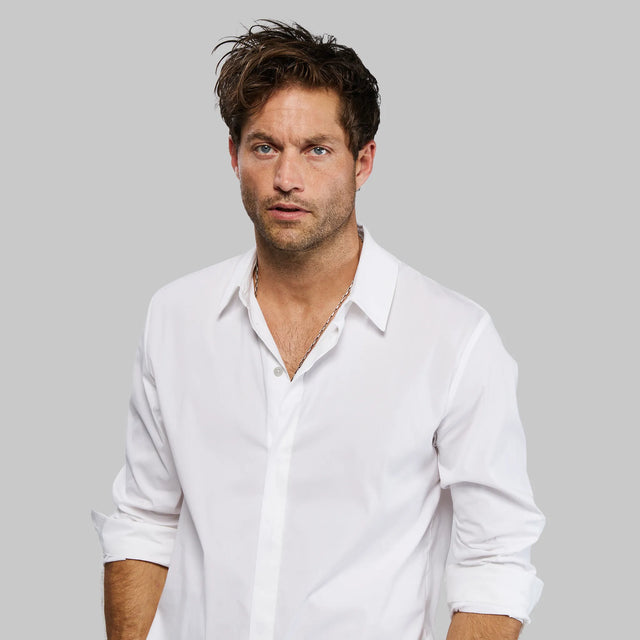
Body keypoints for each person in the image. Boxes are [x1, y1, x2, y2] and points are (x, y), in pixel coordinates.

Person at [92, 20, 544, 640]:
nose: (287, 178)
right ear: (233, 156)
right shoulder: (176, 317)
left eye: (317, 149)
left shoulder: (452, 338)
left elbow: (495, 561)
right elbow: (144, 521)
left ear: (364, 162)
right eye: (264, 147)